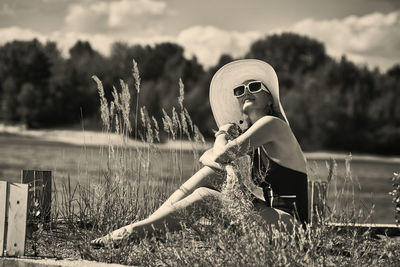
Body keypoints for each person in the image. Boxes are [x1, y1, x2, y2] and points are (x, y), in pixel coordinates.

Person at [90, 59, 308, 248]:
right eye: (240, 91)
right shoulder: (257, 137)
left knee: (205, 196)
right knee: (211, 174)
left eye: (254, 86)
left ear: (270, 99)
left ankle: (135, 232)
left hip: (290, 228)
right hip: (270, 218)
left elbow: (222, 154)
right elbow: (208, 158)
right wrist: (222, 164)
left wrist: (222, 133)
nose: (246, 92)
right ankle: (148, 227)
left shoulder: (272, 125)